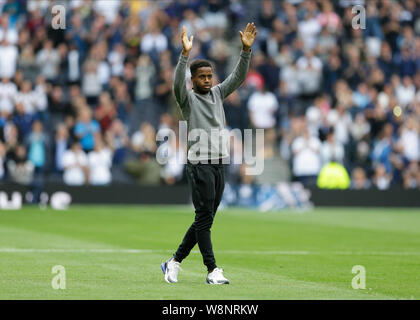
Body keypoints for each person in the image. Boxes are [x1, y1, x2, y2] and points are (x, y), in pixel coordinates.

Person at [161, 23, 257, 285]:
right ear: (193, 80)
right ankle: (212, 269)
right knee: (205, 219)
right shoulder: (188, 99)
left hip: (219, 164)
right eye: (202, 77)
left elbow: (237, 77)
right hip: (199, 164)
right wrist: (184, 55)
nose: (207, 80)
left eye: (209, 76)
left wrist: (245, 51)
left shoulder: (217, 93)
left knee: (205, 218)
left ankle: (174, 262)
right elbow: (177, 83)